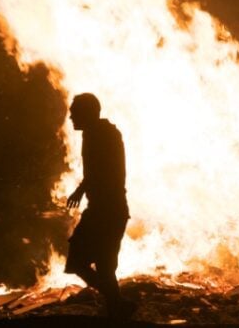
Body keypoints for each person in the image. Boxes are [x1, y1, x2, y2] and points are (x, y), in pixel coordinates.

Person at [64, 93, 135, 319]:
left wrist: (83, 190)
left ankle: (117, 304)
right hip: (104, 210)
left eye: (75, 112)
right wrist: (80, 190)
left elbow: (104, 172)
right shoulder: (94, 134)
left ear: (89, 112)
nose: (71, 117)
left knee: (88, 262)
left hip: (108, 211)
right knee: (98, 264)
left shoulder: (105, 135)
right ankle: (117, 304)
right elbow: (96, 171)